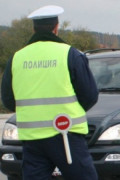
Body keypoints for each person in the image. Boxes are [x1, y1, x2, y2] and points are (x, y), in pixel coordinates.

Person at [1, 5, 99, 180]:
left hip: (32, 139)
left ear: (34, 29)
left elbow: (8, 100)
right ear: (56, 27)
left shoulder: (17, 58)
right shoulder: (70, 54)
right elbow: (90, 95)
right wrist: (69, 112)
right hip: (66, 135)